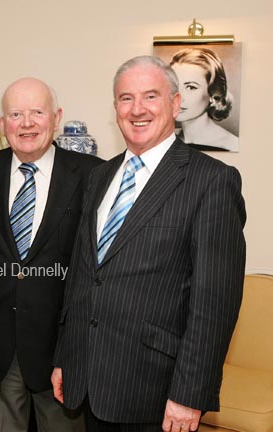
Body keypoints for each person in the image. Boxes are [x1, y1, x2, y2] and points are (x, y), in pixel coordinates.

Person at [51, 56, 246, 432]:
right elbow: (82, 275)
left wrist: (190, 394)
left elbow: (214, 305)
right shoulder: (99, 176)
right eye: (126, 98)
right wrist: (66, 356)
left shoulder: (211, 182)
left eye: (150, 96)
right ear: (115, 109)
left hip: (156, 392)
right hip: (90, 381)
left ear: (174, 104)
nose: (137, 109)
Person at [0, 77, 102, 432]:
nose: (26, 123)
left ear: (56, 118)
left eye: (37, 112)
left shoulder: (93, 175)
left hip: (62, 352)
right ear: (1, 124)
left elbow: (97, 270)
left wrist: (76, 349)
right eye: (15, 114)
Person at [170, 47, 238, 151]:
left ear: (213, 94)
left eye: (191, 87)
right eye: (174, 86)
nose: (179, 98)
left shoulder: (231, 145)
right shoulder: (165, 142)